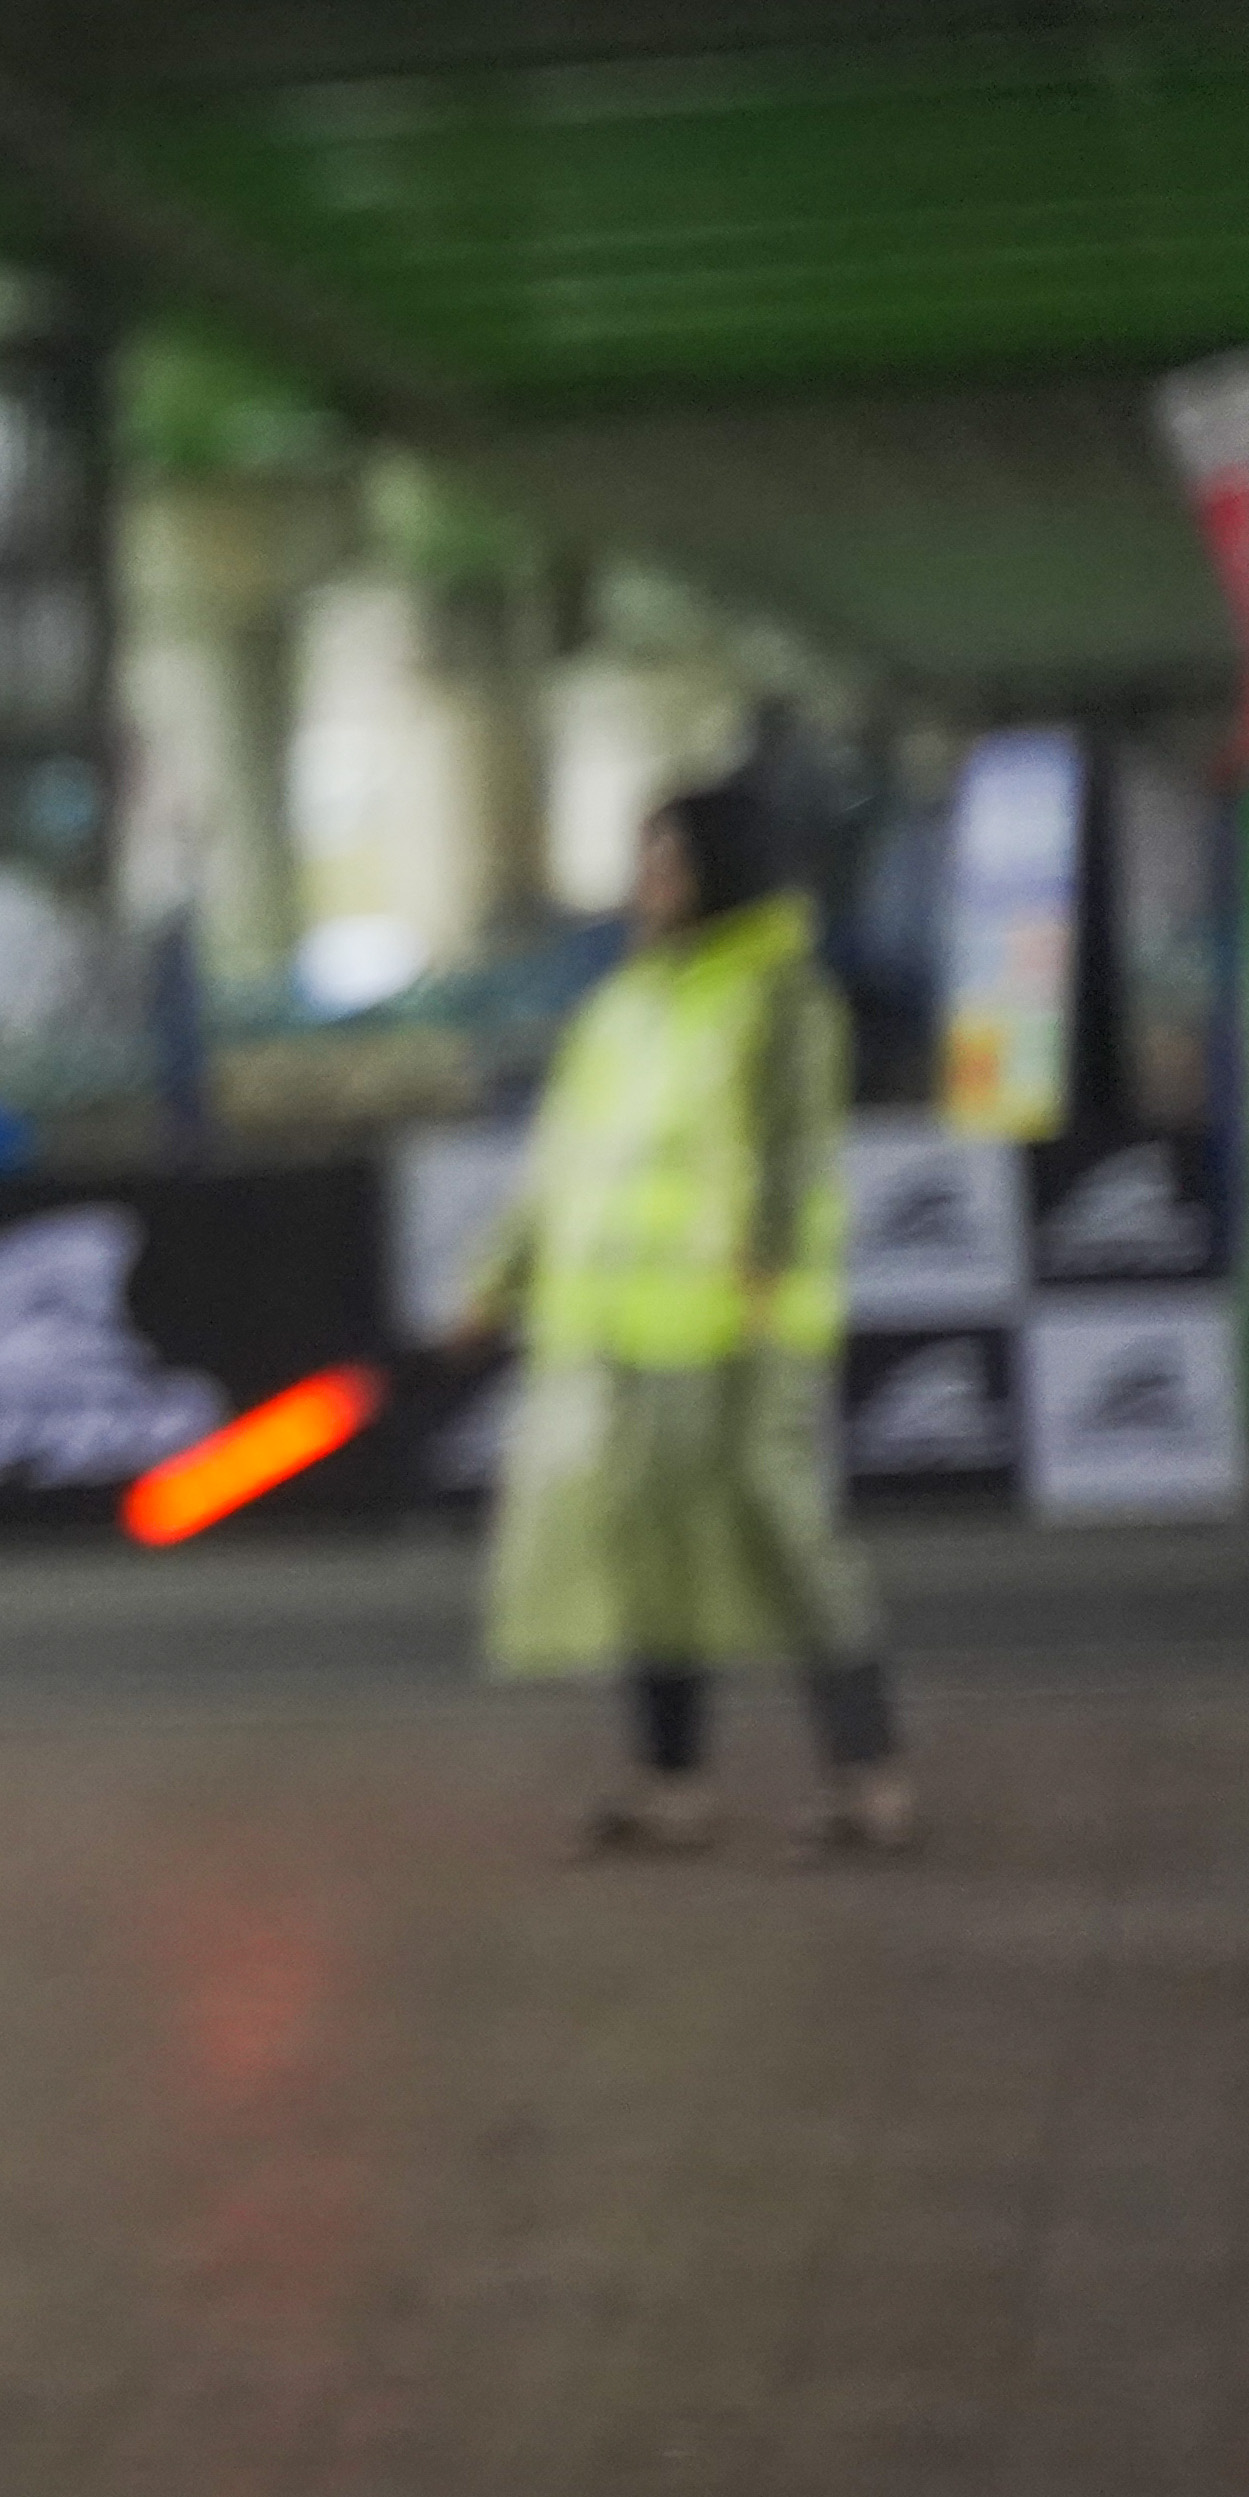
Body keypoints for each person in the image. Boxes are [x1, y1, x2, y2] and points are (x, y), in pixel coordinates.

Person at [446, 776, 919, 1858]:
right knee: (644, 1555)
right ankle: (672, 1786)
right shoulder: (624, 1003)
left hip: (738, 1328)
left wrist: (767, 1269)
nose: (648, 884)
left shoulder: (782, 994)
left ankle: (871, 1778)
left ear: (722, 868)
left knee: (786, 1538)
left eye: (668, 862)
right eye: (647, 861)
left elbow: (793, 1139)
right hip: (615, 1328)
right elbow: (562, 1160)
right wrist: (499, 1279)